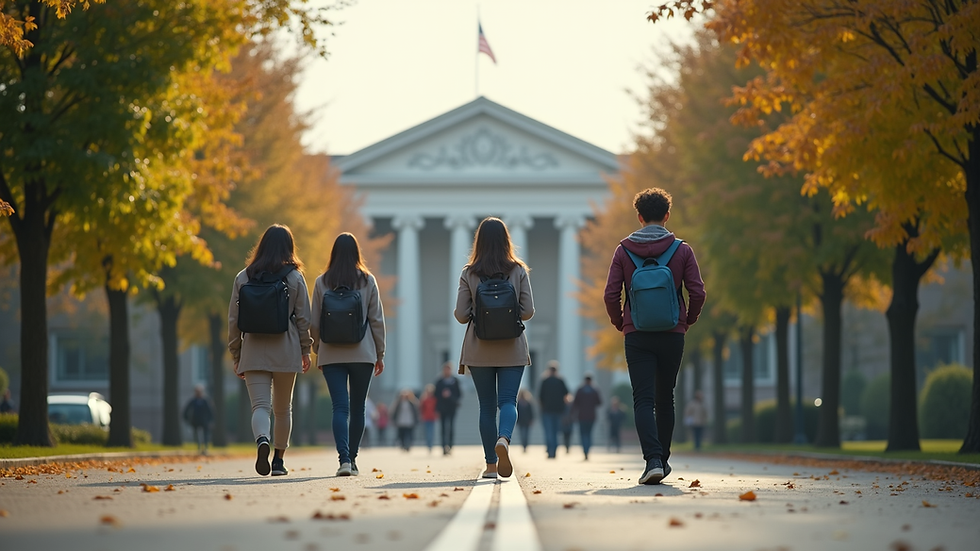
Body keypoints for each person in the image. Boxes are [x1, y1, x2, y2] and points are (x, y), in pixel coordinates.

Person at [603, 187, 705, 485]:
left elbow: (611, 294)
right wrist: (687, 320)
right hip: (673, 332)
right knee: (666, 398)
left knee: (643, 399)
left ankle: (653, 460)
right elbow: (697, 291)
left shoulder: (623, 251)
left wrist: (621, 321)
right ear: (667, 216)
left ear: (639, 217)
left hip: (638, 334)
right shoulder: (682, 250)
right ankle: (663, 459)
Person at [228, 224, 313, 477]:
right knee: (283, 408)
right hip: (286, 348)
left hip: (253, 349)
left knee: (260, 407)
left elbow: (234, 320)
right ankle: (278, 461)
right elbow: (303, 319)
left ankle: (261, 439)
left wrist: (236, 353)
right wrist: (305, 349)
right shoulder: (295, 278)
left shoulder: (243, 277)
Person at [453, 217, 534, 479]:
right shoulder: (518, 270)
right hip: (512, 346)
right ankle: (504, 439)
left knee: (486, 407)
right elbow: (529, 311)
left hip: (480, 347)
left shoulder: (469, 273)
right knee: (508, 400)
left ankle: (490, 466)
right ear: (506, 241)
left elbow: (461, 315)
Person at [311, 232, 386, 477]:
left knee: (339, 408)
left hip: (332, 353)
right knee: (358, 409)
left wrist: (317, 350)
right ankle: (352, 459)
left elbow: (314, 322)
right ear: (356, 253)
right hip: (362, 353)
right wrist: (380, 352)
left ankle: (343, 458)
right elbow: (376, 320)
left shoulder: (322, 282)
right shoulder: (368, 281)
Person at [538, 361, 569, 459]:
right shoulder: (560, 381)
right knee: (556, 432)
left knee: (549, 432)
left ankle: (550, 450)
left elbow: (540, 396)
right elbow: (567, 394)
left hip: (547, 410)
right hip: (558, 410)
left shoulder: (544, 381)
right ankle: (554, 450)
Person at [434, 362, 462, 455]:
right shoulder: (439, 381)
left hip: (452, 407)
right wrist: (442, 395)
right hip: (442, 408)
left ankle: (450, 445)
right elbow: (435, 395)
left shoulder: (455, 381)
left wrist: (450, 396)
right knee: (443, 427)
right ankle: (443, 446)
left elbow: (459, 394)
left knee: (451, 427)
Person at [572, 375, 602, 460]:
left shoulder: (580, 390)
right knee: (589, 434)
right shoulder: (594, 390)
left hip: (581, 416)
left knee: (583, 434)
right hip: (591, 416)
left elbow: (575, 403)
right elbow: (599, 402)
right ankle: (587, 450)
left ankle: (585, 450)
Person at [182, 384, 214, 455]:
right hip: (195, 421)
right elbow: (186, 410)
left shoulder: (205, 401)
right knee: (196, 435)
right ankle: (198, 448)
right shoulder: (193, 401)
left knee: (205, 435)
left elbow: (210, 411)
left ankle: (205, 448)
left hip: (204, 421)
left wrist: (210, 420)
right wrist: (187, 420)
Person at [420, 384, 438, 452]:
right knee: (427, 432)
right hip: (426, 417)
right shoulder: (424, 400)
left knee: (431, 432)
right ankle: (428, 444)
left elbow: (436, 408)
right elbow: (421, 408)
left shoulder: (434, 399)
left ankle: (430, 445)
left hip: (432, 418)